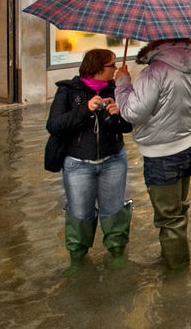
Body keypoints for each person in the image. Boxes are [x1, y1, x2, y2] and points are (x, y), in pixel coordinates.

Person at [114, 38, 191, 270]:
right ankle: (172, 257)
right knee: (179, 211)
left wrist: (123, 84)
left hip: (161, 155)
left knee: (169, 219)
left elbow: (133, 113)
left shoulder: (154, 72)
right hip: (188, 151)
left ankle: (176, 275)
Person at [47, 48, 133, 270]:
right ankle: (78, 258)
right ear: (96, 68)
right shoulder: (68, 91)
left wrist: (117, 115)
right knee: (79, 213)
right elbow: (54, 125)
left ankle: (116, 253)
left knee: (114, 209)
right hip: (78, 164)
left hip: (113, 160)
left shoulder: (116, 90)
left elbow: (128, 127)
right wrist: (85, 109)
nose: (115, 69)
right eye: (111, 66)